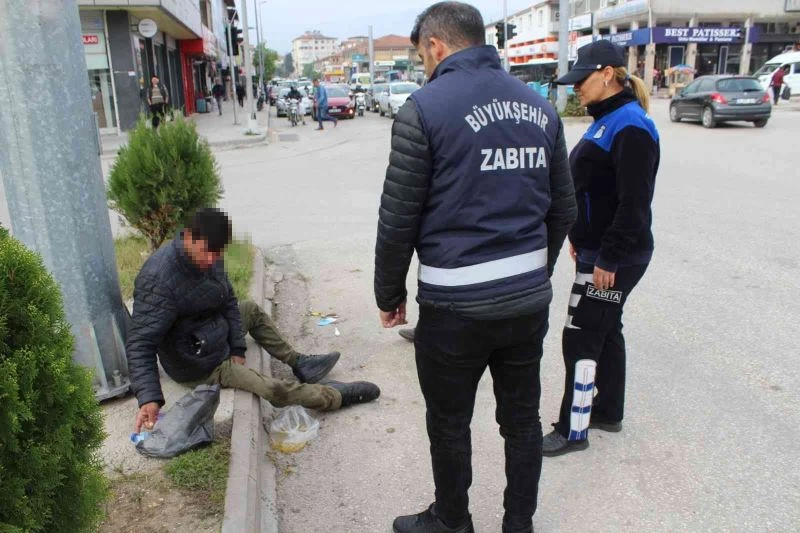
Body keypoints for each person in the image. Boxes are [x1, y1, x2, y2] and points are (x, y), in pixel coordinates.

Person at [374, 3, 577, 532]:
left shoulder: (424, 109)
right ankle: (518, 524)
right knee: (522, 421)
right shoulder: (540, 108)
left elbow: (399, 218)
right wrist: (535, 270)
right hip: (525, 304)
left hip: (453, 308)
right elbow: (564, 208)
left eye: (422, 56)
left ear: (437, 46)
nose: (424, 66)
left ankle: (452, 521)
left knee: (448, 421)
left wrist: (388, 293)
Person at [127, 208, 380, 434]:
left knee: (249, 309)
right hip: (198, 362)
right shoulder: (158, 278)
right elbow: (140, 343)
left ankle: (299, 362)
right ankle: (332, 396)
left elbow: (228, 301)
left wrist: (237, 346)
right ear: (188, 237)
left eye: (216, 254)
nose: (210, 260)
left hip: (215, 333)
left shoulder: (210, 256)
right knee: (270, 389)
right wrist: (149, 398)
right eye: (205, 252)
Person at [541, 40, 660, 457]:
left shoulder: (630, 126)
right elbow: (594, 191)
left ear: (607, 73)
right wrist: (580, 237)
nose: (576, 88)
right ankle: (607, 411)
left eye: (582, 80)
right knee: (606, 330)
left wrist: (608, 255)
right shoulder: (608, 119)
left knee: (582, 336)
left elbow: (634, 203)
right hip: (598, 251)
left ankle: (573, 429)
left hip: (614, 258)